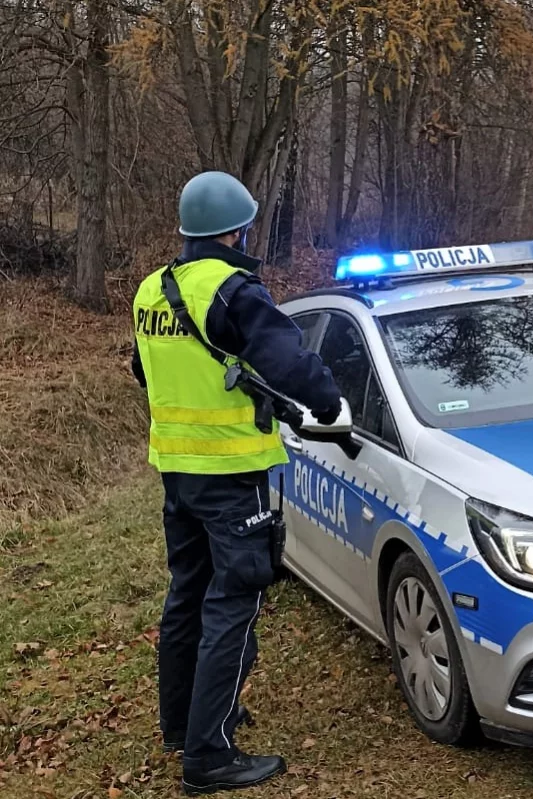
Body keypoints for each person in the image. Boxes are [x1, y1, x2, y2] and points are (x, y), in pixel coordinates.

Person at [131, 171, 343, 794]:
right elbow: (290, 362)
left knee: (187, 597)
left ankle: (180, 723)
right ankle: (208, 754)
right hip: (232, 475)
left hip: (177, 473)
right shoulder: (233, 289)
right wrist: (329, 401)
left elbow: (145, 374)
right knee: (234, 606)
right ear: (237, 229)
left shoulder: (152, 290)